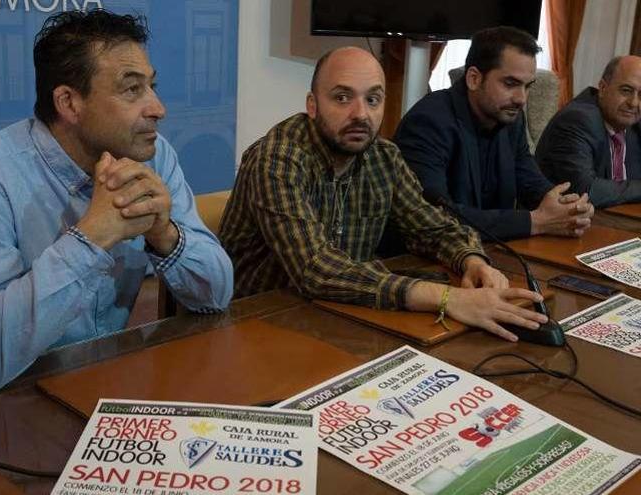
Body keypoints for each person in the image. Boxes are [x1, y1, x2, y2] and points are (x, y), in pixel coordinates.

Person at [0, 10, 233, 390]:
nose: (158, 108)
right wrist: (91, 238)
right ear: (69, 103)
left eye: (152, 86)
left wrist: (166, 234)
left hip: (84, 378)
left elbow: (218, 296)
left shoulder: (154, 157)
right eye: (132, 89)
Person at [219, 47, 548, 342]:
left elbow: (433, 227)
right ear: (312, 105)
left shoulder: (384, 157)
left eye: (373, 99)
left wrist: (472, 261)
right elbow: (316, 270)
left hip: (341, 317)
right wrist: (449, 298)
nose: (361, 114)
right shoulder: (277, 158)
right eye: (342, 98)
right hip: (256, 326)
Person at [394, 26, 593, 241]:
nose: (521, 99)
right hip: (426, 261)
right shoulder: (428, 122)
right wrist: (535, 222)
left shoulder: (510, 118)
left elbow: (530, 180)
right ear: (474, 79)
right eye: (510, 84)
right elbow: (435, 217)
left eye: (527, 86)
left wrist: (568, 207)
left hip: (492, 252)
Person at [535, 55, 641, 208]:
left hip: (620, 220)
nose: (634, 103)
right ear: (602, 88)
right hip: (561, 224)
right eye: (626, 90)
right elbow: (586, 191)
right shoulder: (577, 120)